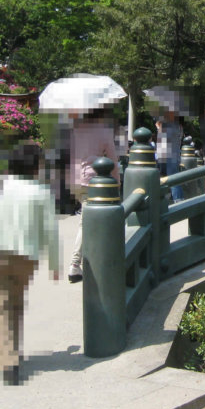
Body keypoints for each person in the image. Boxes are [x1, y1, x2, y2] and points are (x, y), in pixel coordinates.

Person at [0, 141, 60, 385]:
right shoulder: (41, 192)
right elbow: (51, 230)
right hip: (27, 257)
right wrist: (55, 263)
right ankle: (14, 351)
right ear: (36, 166)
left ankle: (8, 362)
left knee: (0, 305)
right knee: (16, 302)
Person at [66, 106, 121, 283]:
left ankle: (90, 258)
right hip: (94, 182)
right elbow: (113, 159)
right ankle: (75, 264)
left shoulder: (75, 130)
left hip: (74, 180)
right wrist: (117, 182)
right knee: (86, 222)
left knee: (87, 219)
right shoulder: (103, 131)